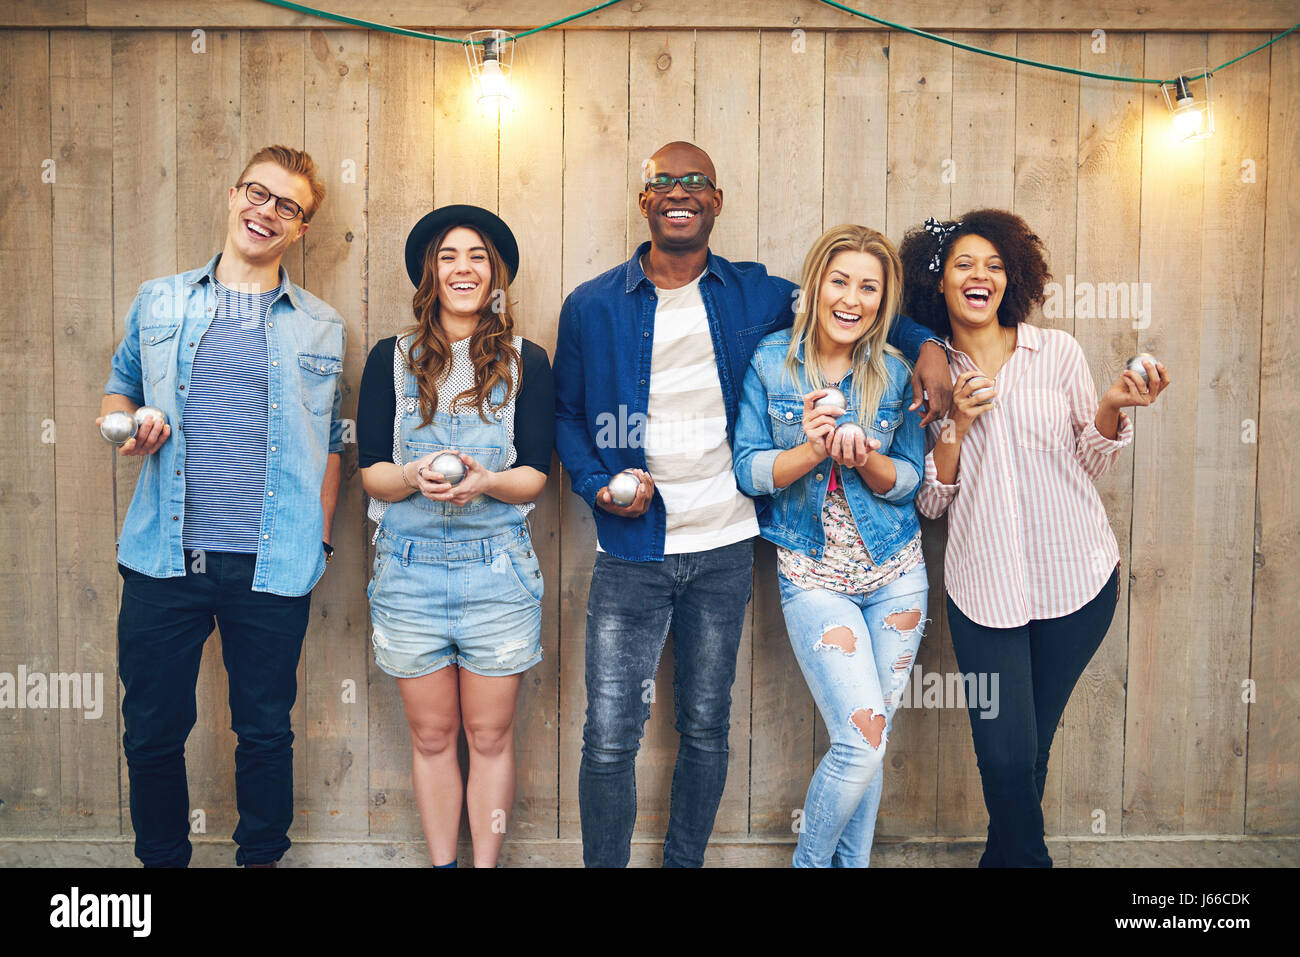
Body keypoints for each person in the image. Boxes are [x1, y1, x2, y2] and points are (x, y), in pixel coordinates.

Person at [553, 140, 952, 867]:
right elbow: (568, 419)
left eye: (697, 180)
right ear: (645, 200)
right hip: (631, 552)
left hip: (726, 548)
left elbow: (856, 307)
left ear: (717, 201)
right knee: (609, 734)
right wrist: (597, 486)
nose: (680, 191)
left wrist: (926, 344)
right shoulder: (591, 306)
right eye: (664, 181)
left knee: (706, 726)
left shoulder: (755, 293)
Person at [901, 209, 1170, 867]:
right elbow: (932, 502)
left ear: (1011, 276)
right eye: (964, 263)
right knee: (1007, 753)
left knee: (1030, 750)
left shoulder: (1057, 352)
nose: (980, 275)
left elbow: (1091, 457)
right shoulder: (933, 372)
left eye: (994, 265)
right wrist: (955, 426)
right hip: (982, 587)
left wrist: (1110, 405)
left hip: (1077, 581)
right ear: (940, 281)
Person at [101, 145, 344, 867]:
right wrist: (126, 423)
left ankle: (261, 858)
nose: (266, 211)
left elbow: (331, 443)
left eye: (287, 206)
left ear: (300, 229)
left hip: (271, 564)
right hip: (161, 556)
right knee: (150, 730)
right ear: (233, 195)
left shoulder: (322, 324)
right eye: (257, 193)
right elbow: (120, 386)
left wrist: (318, 543)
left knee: (266, 731)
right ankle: (162, 864)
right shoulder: (160, 299)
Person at [357, 206, 554, 868]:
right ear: (430, 273)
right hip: (408, 573)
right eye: (448, 256)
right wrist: (412, 473)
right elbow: (372, 475)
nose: (463, 268)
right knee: (434, 733)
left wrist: (488, 481)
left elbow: (534, 476)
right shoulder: (391, 358)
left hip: (498, 572)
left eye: (476, 256)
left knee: (489, 734)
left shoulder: (529, 361)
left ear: (494, 274)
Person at [733, 224, 928, 867]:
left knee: (872, 741)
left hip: (897, 573)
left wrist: (867, 462)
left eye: (869, 287)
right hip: (814, 575)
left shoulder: (894, 373)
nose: (853, 298)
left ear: (883, 301)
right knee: (860, 741)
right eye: (840, 281)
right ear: (816, 286)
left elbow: (909, 481)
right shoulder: (770, 363)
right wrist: (813, 450)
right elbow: (749, 469)